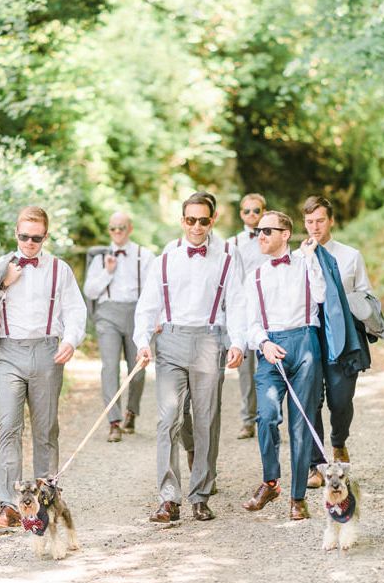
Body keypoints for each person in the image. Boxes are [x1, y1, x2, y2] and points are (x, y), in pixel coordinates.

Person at [0, 206, 87, 529]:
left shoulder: (60, 270)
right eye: (23, 237)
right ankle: (9, 506)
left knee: (46, 429)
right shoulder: (0, 268)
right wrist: (3, 284)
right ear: (15, 233)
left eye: (36, 237)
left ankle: (45, 503)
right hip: (9, 353)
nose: (29, 243)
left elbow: (75, 309)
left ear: (45, 236)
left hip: (47, 351)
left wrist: (71, 340)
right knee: (8, 427)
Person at [135, 192, 246, 523]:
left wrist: (238, 341)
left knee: (206, 419)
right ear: (182, 221)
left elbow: (238, 302)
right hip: (170, 341)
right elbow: (148, 304)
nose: (196, 226)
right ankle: (168, 498)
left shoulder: (227, 259)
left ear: (212, 221)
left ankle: (200, 494)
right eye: (190, 219)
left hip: (210, 340)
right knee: (168, 418)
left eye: (203, 220)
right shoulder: (164, 260)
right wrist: (142, 340)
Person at [242, 210, 325, 521]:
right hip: (270, 348)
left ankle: (298, 496)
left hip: (305, 343)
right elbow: (250, 323)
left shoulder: (305, 264)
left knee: (301, 424)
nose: (260, 236)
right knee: (266, 416)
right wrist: (263, 342)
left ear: (285, 234)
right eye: (257, 232)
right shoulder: (255, 276)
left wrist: (311, 258)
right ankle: (271, 482)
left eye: (266, 231)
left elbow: (321, 295)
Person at [302, 196, 373, 487]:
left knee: (341, 399)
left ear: (331, 220)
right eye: (309, 222)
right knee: (311, 399)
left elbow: (365, 294)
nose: (315, 227)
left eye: (320, 220)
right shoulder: (298, 258)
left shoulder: (350, 255)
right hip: (311, 334)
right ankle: (316, 464)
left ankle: (338, 440)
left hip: (344, 335)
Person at [83, 212, 155, 442]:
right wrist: (108, 272)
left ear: (130, 229)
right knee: (110, 367)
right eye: (113, 228)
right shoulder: (99, 259)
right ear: (109, 231)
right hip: (108, 315)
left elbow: (154, 292)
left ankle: (131, 411)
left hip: (136, 313)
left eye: (121, 228)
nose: (117, 232)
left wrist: (155, 319)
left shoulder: (145, 256)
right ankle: (113, 422)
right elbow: (90, 291)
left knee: (138, 370)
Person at [227, 194, 267, 439]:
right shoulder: (233, 243)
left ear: (264, 211)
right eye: (247, 211)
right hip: (244, 310)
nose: (252, 215)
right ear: (241, 214)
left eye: (256, 210)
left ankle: (268, 418)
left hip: (269, 311)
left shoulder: (272, 237)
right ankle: (247, 419)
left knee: (270, 367)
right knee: (245, 369)